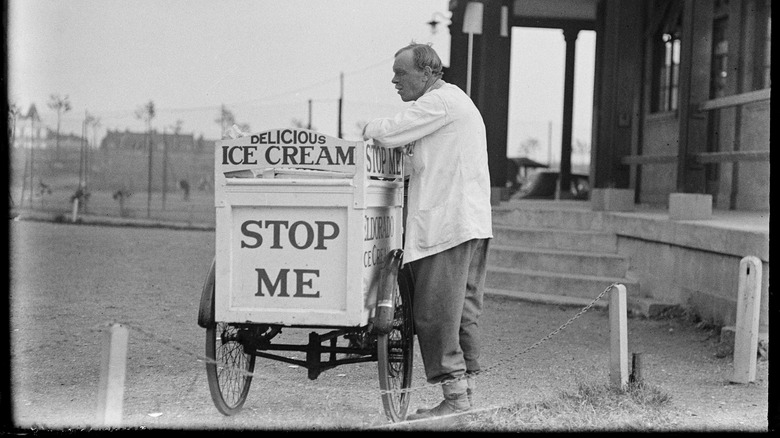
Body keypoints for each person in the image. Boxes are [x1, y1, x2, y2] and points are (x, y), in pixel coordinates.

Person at [362, 42, 493, 421]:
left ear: (427, 73)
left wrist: (367, 129)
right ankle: (464, 396)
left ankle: (454, 400)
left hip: (448, 226)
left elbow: (389, 132)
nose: (394, 79)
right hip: (468, 223)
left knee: (435, 313)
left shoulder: (440, 103)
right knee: (463, 313)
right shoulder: (452, 104)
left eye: (401, 73)